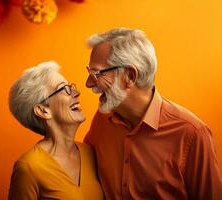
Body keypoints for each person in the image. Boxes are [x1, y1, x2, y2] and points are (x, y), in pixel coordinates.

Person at [84, 27, 222, 199]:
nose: (89, 83)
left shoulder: (192, 134)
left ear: (129, 76)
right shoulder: (102, 120)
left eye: (96, 73)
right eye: (89, 73)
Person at [8, 61, 104, 200]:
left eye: (71, 87)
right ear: (43, 110)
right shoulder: (29, 166)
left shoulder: (89, 152)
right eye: (64, 89)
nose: (77, 93)